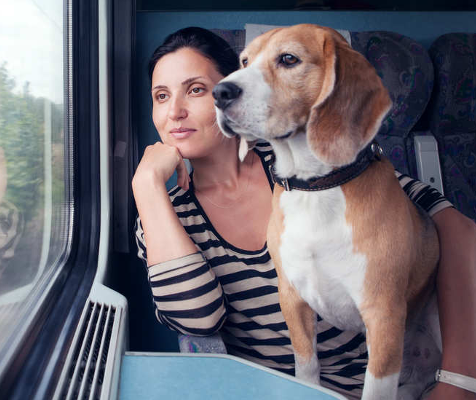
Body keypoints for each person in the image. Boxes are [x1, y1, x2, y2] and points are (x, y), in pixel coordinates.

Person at [132, 26, 476, 400]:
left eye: (197, 89)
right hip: (279, 390)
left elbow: (454, 228)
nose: (174, 112)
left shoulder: (313, 161)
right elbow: (196, 320)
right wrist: (147, 186)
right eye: (161, 96)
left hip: (384, 378)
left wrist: (459, 382)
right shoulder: (162, 217)